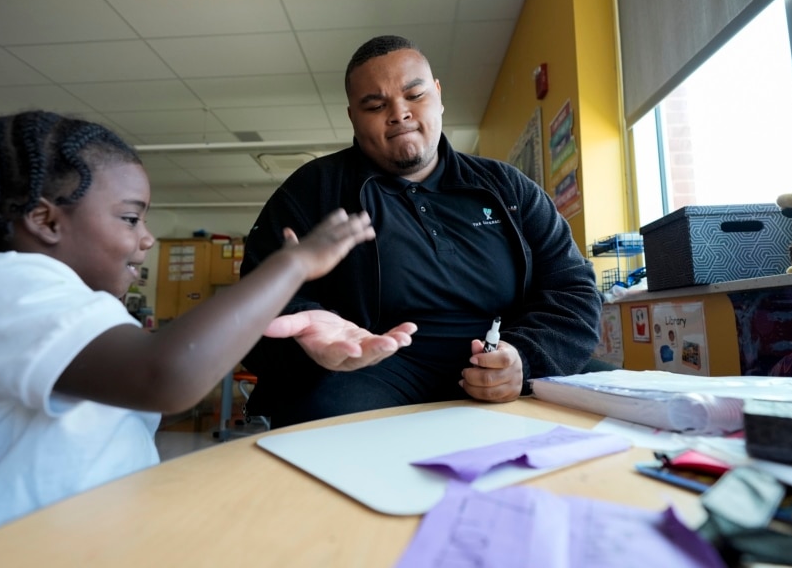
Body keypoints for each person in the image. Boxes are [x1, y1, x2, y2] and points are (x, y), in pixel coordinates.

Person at [0, 111, 376, 567]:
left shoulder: (67, 303)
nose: (146, 238)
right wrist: (290, 267)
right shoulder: (9, 289)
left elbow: (146, 405)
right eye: (129, 217)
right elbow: (165, 378)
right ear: (45, 220)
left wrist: (254, 332)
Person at [240, 35, 603, 428]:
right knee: (317, 426)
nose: (399, 114)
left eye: (414, 95)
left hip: (507, 364)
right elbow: (256, 302)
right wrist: (310, 335)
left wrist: (526, 359)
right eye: (376, 105)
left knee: (618, 407)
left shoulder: (508, 188)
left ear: (439, 95)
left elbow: (574, 288)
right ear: (352, 116)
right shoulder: (311, 192)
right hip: (372, 375)